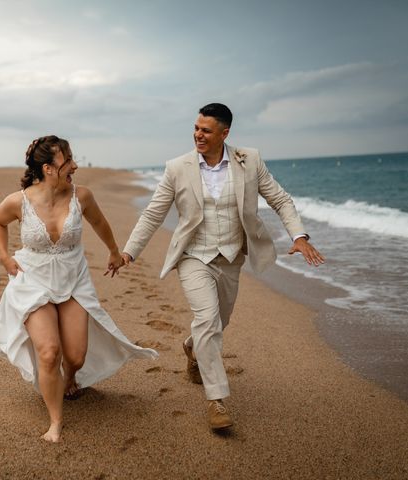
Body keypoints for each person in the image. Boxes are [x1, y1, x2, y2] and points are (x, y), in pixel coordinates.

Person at [121, 103, 325, 431]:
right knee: (208, 320)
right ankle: (216, 400)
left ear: (224, 134)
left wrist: (298, 236)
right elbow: (153, 213)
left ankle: (191, 347)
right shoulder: (177, 167)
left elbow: (281, 199)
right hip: (193, 257)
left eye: (206, 130)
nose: (198, 135)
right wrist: (129, 252)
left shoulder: (250, 160)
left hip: (231, 258)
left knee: (219, 321)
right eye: (196, 128)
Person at [0, 135, 157, 443]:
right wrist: (4, 257)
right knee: (49, 352)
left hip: (73, 279)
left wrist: (114, 251)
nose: (75, 165)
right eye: (68, 160)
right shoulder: (19, 201)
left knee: (75, 355)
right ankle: (55, 421)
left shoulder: (82, 196)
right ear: (48, 168)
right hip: (32, 281)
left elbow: (100, 222)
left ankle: (71, 377)